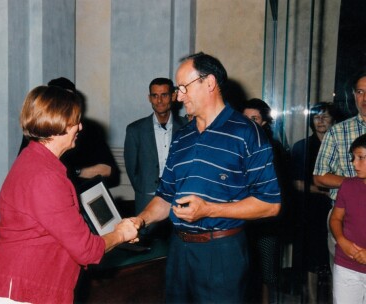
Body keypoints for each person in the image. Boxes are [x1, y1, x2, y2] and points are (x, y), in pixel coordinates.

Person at [131, 52, 281, 303]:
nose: (178, 97)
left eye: (183, 88)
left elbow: (270, 205)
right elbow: (165, 197)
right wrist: (139, 221)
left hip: (222, 252)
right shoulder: (182, 137)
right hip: (179, 250)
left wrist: (208, 210)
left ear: (209, 83)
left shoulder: (247, 133)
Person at [0, 86, 138, 304]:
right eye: (75, 121)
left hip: (19, 287)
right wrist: (121, 234)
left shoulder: (35, 159)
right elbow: (86, 251)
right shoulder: (45, 176)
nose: (80, 127)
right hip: (18, 293)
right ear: (59, 124)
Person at [19, 77, 120, 188]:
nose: (79, 127)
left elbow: (110, 171)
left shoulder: (91, 130)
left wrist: (76, 171)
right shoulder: (36, 137)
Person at [313, 70, 366, 266]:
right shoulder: (338, 131)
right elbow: (319, 176)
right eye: (360, 92)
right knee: (346, 286)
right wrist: (356, 184)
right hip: (344, 218)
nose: (365, 98)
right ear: (353, 95)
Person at [124, 77, 187, 237]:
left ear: (173, 96)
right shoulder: (135, 130)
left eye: (164, 95)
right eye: (154, 95)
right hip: (147, 199)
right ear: (149, 98)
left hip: (180, 199)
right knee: (146, 247)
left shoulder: (187, 127)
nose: (159, 100)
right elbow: (132, 168)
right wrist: (143, 189)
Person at [242, 98, 289, 304]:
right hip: (240, 222)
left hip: (266, 223)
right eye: (245, 118)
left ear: (264, 122)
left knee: (266, 275)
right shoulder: (235, 145)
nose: (249, 123)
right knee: (242, 276)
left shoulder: (274, 148)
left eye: (254, 118)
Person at [292, 102, 336, 303]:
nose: (320, 121)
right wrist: (322, 191)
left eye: (325, 117)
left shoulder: (339, 145)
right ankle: (310, 300)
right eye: (317, 117)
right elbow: (296, 183)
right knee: (311, 260)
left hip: (336, 209)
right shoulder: (302, 147)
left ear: (333, 120)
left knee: (333, 259)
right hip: (309, 210)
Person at [329, 133, 366, 304]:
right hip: (347, 264)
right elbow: (336, 218)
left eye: (360, 158)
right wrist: (342, 240)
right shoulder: (348, 185)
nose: (354, 163)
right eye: (353, 157)